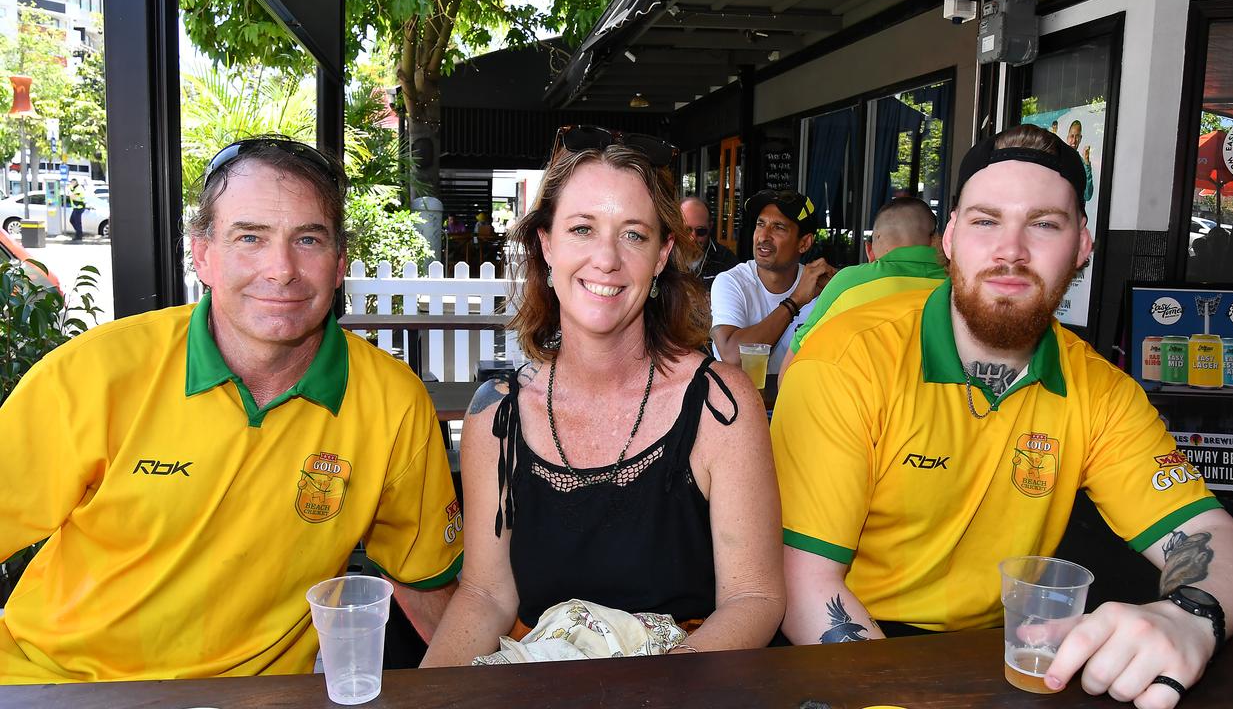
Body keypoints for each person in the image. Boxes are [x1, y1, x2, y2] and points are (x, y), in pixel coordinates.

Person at [773, 125, 1233, 707]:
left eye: (1044, 224)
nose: (1011, 250)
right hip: (850, 647)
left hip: (1007, 654)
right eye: (986, 221)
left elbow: (1213, 538)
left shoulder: (1100, 390)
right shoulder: (846, 358)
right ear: (951, 238)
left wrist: (1189, 619)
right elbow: (806, 585)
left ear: (1082, 245)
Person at [0, 137, 463, 683]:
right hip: (56, 684)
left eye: (308, 239)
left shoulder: (392, 400)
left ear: (340, 264)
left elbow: (423, 580)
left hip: (257, 696)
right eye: (250, 237)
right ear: (203, 255)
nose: (281, 269)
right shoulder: (94, 374)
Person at [423, 125, 784, 666]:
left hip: (685, 688)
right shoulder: (495, 415)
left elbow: (754, 599)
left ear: (663, 255)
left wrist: (642, 696)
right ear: (546, 245)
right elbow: (485, 595)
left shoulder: (720, 405)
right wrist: (432, 695)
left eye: (634, 234)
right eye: (583, 229)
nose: (607, 259)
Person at [777, 196, 945, 382]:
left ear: (876, 240)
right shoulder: (958, 284)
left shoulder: (850, 282)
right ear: (935, 240)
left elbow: (792, 366)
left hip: (863, 403)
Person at [709, 189, 834, 372]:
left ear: (804, 243)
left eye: (778, 227)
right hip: (737, 399)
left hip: (795, 397)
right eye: (760, 224)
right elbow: (733, 357)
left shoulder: (819, 285)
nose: (763, 236)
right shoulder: (731, 282)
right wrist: (795, 301)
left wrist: (840, 285)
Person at [680, 196, 738, 288]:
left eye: (701, 231)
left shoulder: (726, 261)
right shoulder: (664, 258)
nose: (692, 238)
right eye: (687, 230)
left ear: (710, 227)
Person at [1066, 119, 1095, 202]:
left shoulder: (1083, 163)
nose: (1074, 140)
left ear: (1081, 138)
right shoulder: (1059, 157)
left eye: (1077, 136)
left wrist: (1086, 163)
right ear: (1067, 137)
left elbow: (1088, 195)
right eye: (1072, 136)